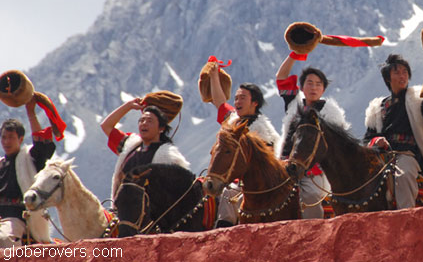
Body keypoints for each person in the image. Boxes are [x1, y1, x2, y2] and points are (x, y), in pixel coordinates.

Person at [363, 54, 423, 209]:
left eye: (405, 72)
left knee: (403, 175)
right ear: (388, 78)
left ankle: (405, 217)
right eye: (397, 73)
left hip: (409, 154)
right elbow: (367, 139)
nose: (402, 76)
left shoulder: (419, 98)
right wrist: (376, 141)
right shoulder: (378, 107)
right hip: (382, 156)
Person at [276, 53, 347, 219]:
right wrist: (294, 53)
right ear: (302, 87)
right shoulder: (294, 104)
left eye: (318, 84)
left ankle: (312, 234)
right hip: (285, 164)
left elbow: (337, 149)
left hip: (317, 169)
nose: (314, 88)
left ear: (323, 89)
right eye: (309, 83)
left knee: (311, 197)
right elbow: (281, 77)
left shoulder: (331, 114)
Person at [207, 68, 280, 226]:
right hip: (234, 180)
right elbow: (220, 103)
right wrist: (213, 76)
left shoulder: (262, 130)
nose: (237, 102)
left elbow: (266, 165)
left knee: (229, 194)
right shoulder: (233, 121)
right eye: (236, 98)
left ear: (255, 103)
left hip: (256, 185)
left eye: (242, 98)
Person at [100, 97, 190, 200]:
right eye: (141, 120)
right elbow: (106, 126)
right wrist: (129, 106)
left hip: (151, 214)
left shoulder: (168, 158)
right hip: (118, 213)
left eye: (149, 121)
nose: (144, 123)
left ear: (161, 128)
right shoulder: (130, 146)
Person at [0, 98, 55, 247]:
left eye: (11, 137)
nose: (6, 141)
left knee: (2, 239)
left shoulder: (30, 159)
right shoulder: (0, 164)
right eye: (3, 137)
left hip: (17, 218)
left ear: (21, 138)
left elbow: (42, 143)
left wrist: (31, 113)